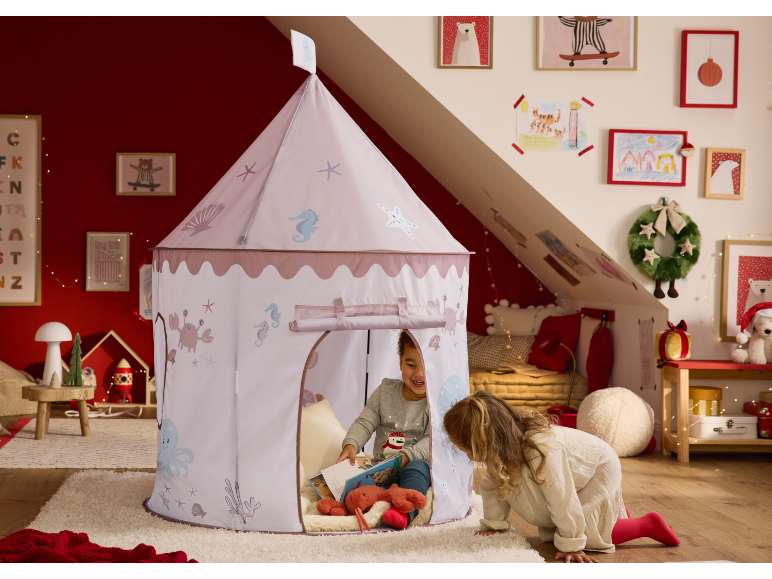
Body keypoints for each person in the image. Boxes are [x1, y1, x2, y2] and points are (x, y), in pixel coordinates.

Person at [443, 391, 680, 563]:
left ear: (488, 441)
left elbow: (561, 498)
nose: (464, 453)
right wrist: (495, 524)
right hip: (580, 468)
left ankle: (647, 524)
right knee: (557, 530)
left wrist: (571, 545)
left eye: (466, 448)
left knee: (586, 536)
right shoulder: (505, 446)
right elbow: (493, 484)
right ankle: (614, 514)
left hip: (599, 467)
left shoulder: (542, 451)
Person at [336, 330, 430, 530]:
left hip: (412, 466)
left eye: (426, 367)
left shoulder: (434, 402)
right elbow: (365, 422)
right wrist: (351, 444)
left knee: (419, 469)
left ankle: (404, 512)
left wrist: (407, 456)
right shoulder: (385, 391)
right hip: (380, 470)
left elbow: (432, 439)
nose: (419, 374)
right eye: (411, 365)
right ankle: (345, 505)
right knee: (352, 480)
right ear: (400, 361)